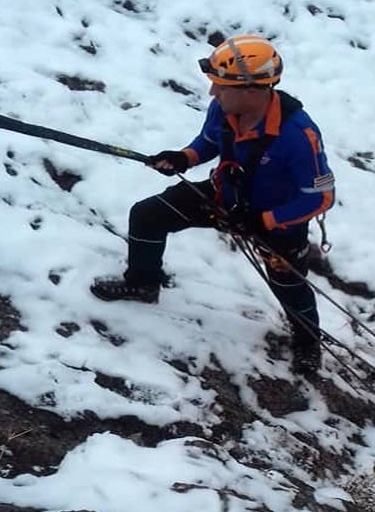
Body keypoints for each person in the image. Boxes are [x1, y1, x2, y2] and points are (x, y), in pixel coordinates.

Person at [90, 34, 335, 376]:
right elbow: (208, 142)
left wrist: (264, 220)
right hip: (225, 197)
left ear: (251, 90)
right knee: (148, 216)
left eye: (220, 86)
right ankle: (143, 282)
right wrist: (183, 158)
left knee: (289, 285)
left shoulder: (299, 135)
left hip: (277, 221)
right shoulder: (224, 107)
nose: (212, 93)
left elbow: (320, 196)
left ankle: (308, 342)